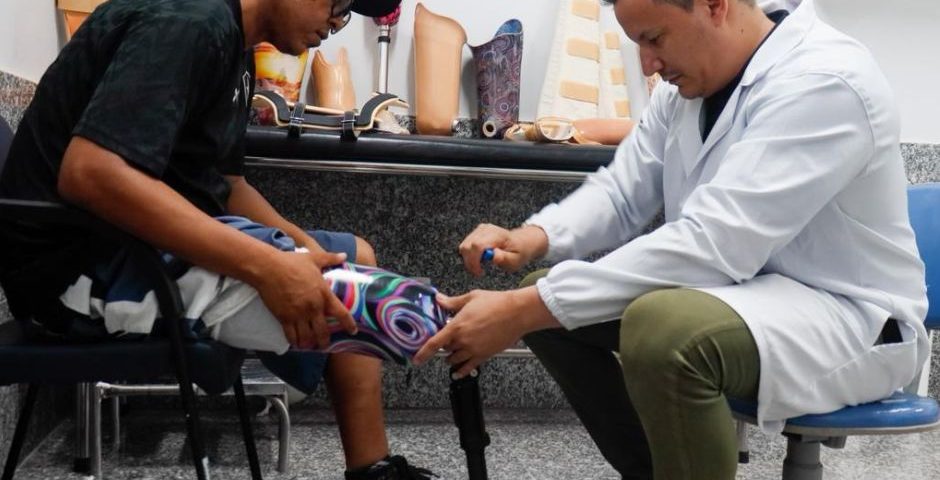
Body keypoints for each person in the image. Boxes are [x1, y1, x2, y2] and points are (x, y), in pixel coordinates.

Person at [414, 0, 929, 478]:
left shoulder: (825, 81)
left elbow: (716, 242)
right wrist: (535, 236)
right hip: (743, 292)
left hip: (851, 318)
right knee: (550, 300)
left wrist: (520, 310)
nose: (648, 63)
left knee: (660, 328)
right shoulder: (687, 90)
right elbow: (622, 192)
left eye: (654, 38)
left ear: (714, 5)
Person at [0, 0, 437, 478]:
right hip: (77, 270)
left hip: (123, 244)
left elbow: (226, 186)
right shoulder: (188, 21)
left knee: (351, 258)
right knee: (354, 300)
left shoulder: (233, 45)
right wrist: (269, 267)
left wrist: (303, 248)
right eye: (339, 2)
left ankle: (372, 469)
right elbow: (90, 173)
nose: (337, 21)